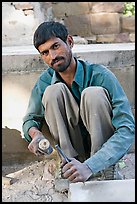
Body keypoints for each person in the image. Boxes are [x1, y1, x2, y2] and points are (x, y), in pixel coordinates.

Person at [22, 21, 135, 183]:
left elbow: (127, 128)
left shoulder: (101, 76)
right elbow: (30, 120)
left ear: (69, 42)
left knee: (93, 94)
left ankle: (104, 168)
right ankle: (69, 165)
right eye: (45, 53)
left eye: (55, 47)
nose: (52, 57)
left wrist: (92, 165)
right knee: (53, 92)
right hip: (73, 155)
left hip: (102, 154)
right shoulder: (45, 81)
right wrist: (35, 134)